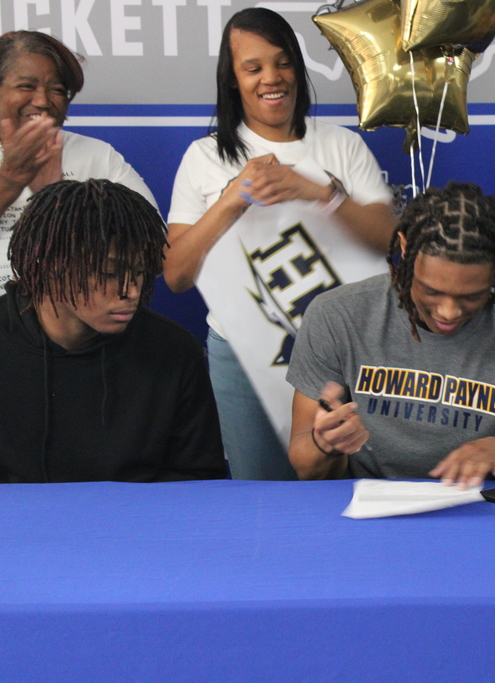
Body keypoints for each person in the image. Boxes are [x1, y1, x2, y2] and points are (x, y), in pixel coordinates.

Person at [165, 7, 396, 481]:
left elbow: (388, 240)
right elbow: (176, 275)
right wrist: (231, 200)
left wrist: (319, 192)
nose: (272, 78)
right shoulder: (205, 156)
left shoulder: (341, 145)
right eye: (253, 68)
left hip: (339, 352)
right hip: (245, 354)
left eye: (283, 62)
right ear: (232, 80)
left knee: (336, 484)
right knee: (260, 496)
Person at [286, 182, 495, 486]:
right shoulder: (337, 316)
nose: (449, 312)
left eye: (471, 296)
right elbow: (307, 467)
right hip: (366, 507)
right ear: (405, 248)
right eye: (432, 291)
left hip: (478, 508)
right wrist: (325, 444)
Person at [0, 180, 227, 483]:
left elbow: (197, 480)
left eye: (141, 272)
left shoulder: (174, 351)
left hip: (136, 526)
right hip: (1, 528)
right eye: (109, 272)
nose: (130, 291)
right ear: (50, 263)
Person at [0, 30, 155, 330]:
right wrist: (10, 180)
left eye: (57, 90)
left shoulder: (98, 156)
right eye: (26, 86)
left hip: (80, 343)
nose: (42, 101)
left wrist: (56, 201)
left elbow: (154, 256)